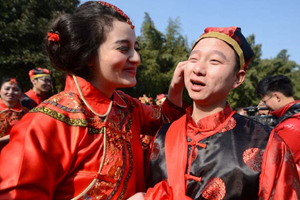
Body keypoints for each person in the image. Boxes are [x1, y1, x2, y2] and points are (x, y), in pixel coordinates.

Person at [0, 1, 186, 199]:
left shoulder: (128, 107)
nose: (137, 58)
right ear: (89, 55)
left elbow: (166, 120)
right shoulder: (48, 121)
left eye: (136, 48)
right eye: (124, 49)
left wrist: (175, 88)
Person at [145, 27, 300, 200]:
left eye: (214, 61)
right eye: (193, 59)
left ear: (237, 78)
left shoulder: (266, 143)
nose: (198, 69)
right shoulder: (161, 136)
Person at [257, 75, 300, 176]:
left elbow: (275, 164)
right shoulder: (294, 116)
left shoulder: (289, 126)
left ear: (276, 97)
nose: (265, 106)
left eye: (264, 101)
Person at [0, 78, 29, 150]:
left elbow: (25, 132)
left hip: (16, 151)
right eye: (7, 89)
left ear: (22, 94)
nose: (10, 92)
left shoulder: (27, 113)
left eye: (16, 90)